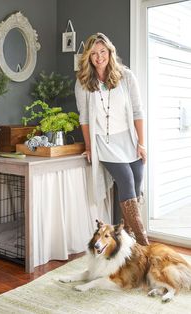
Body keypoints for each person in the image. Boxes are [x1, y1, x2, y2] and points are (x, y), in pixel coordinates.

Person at [75, 33, 149, 246]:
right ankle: (144, 245)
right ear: (88, 57)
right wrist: (89, 146)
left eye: (103, 52)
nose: (99, 57)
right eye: (94, 53)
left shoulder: (126, 76)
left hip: (129, 139)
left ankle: (126, 243)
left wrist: (141, 142)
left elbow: (137, 111)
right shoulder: (83, 83)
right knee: (125, 181)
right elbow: (84, 117)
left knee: (135, 184)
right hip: (104, 143)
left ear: (110, 52)